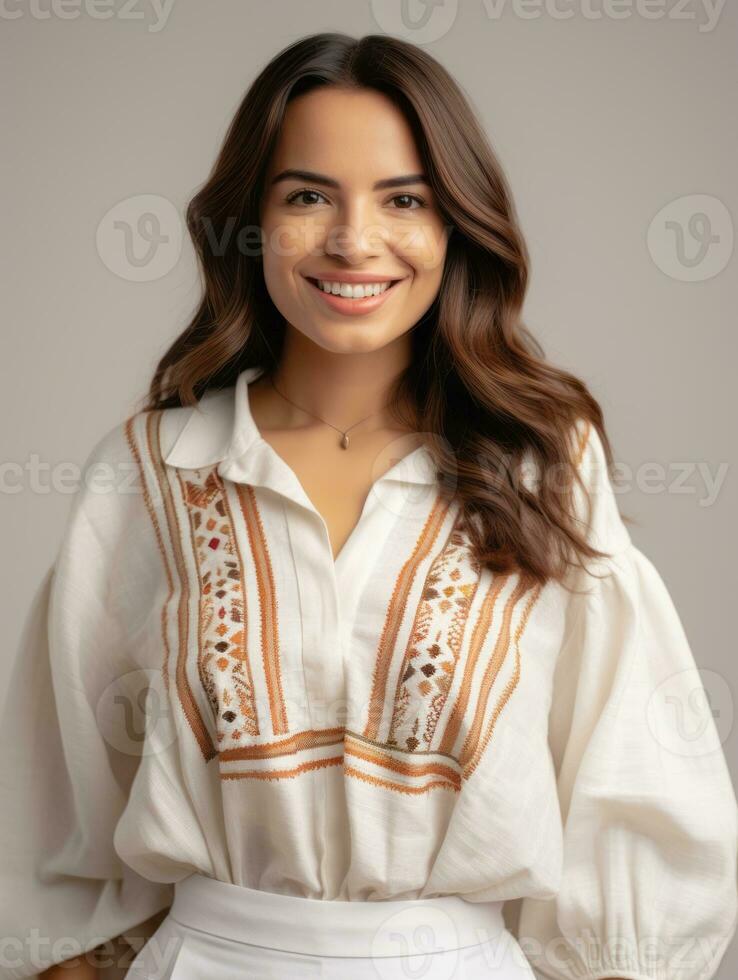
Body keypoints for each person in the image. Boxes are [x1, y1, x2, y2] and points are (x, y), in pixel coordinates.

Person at [1, 31, 736, 980]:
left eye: (405, 200)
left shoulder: (541, 467)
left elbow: (634, 776)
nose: (355, 240)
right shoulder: (153, 468)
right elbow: (52, 786)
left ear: (455, 226)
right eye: (308, 195)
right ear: (250, 221)